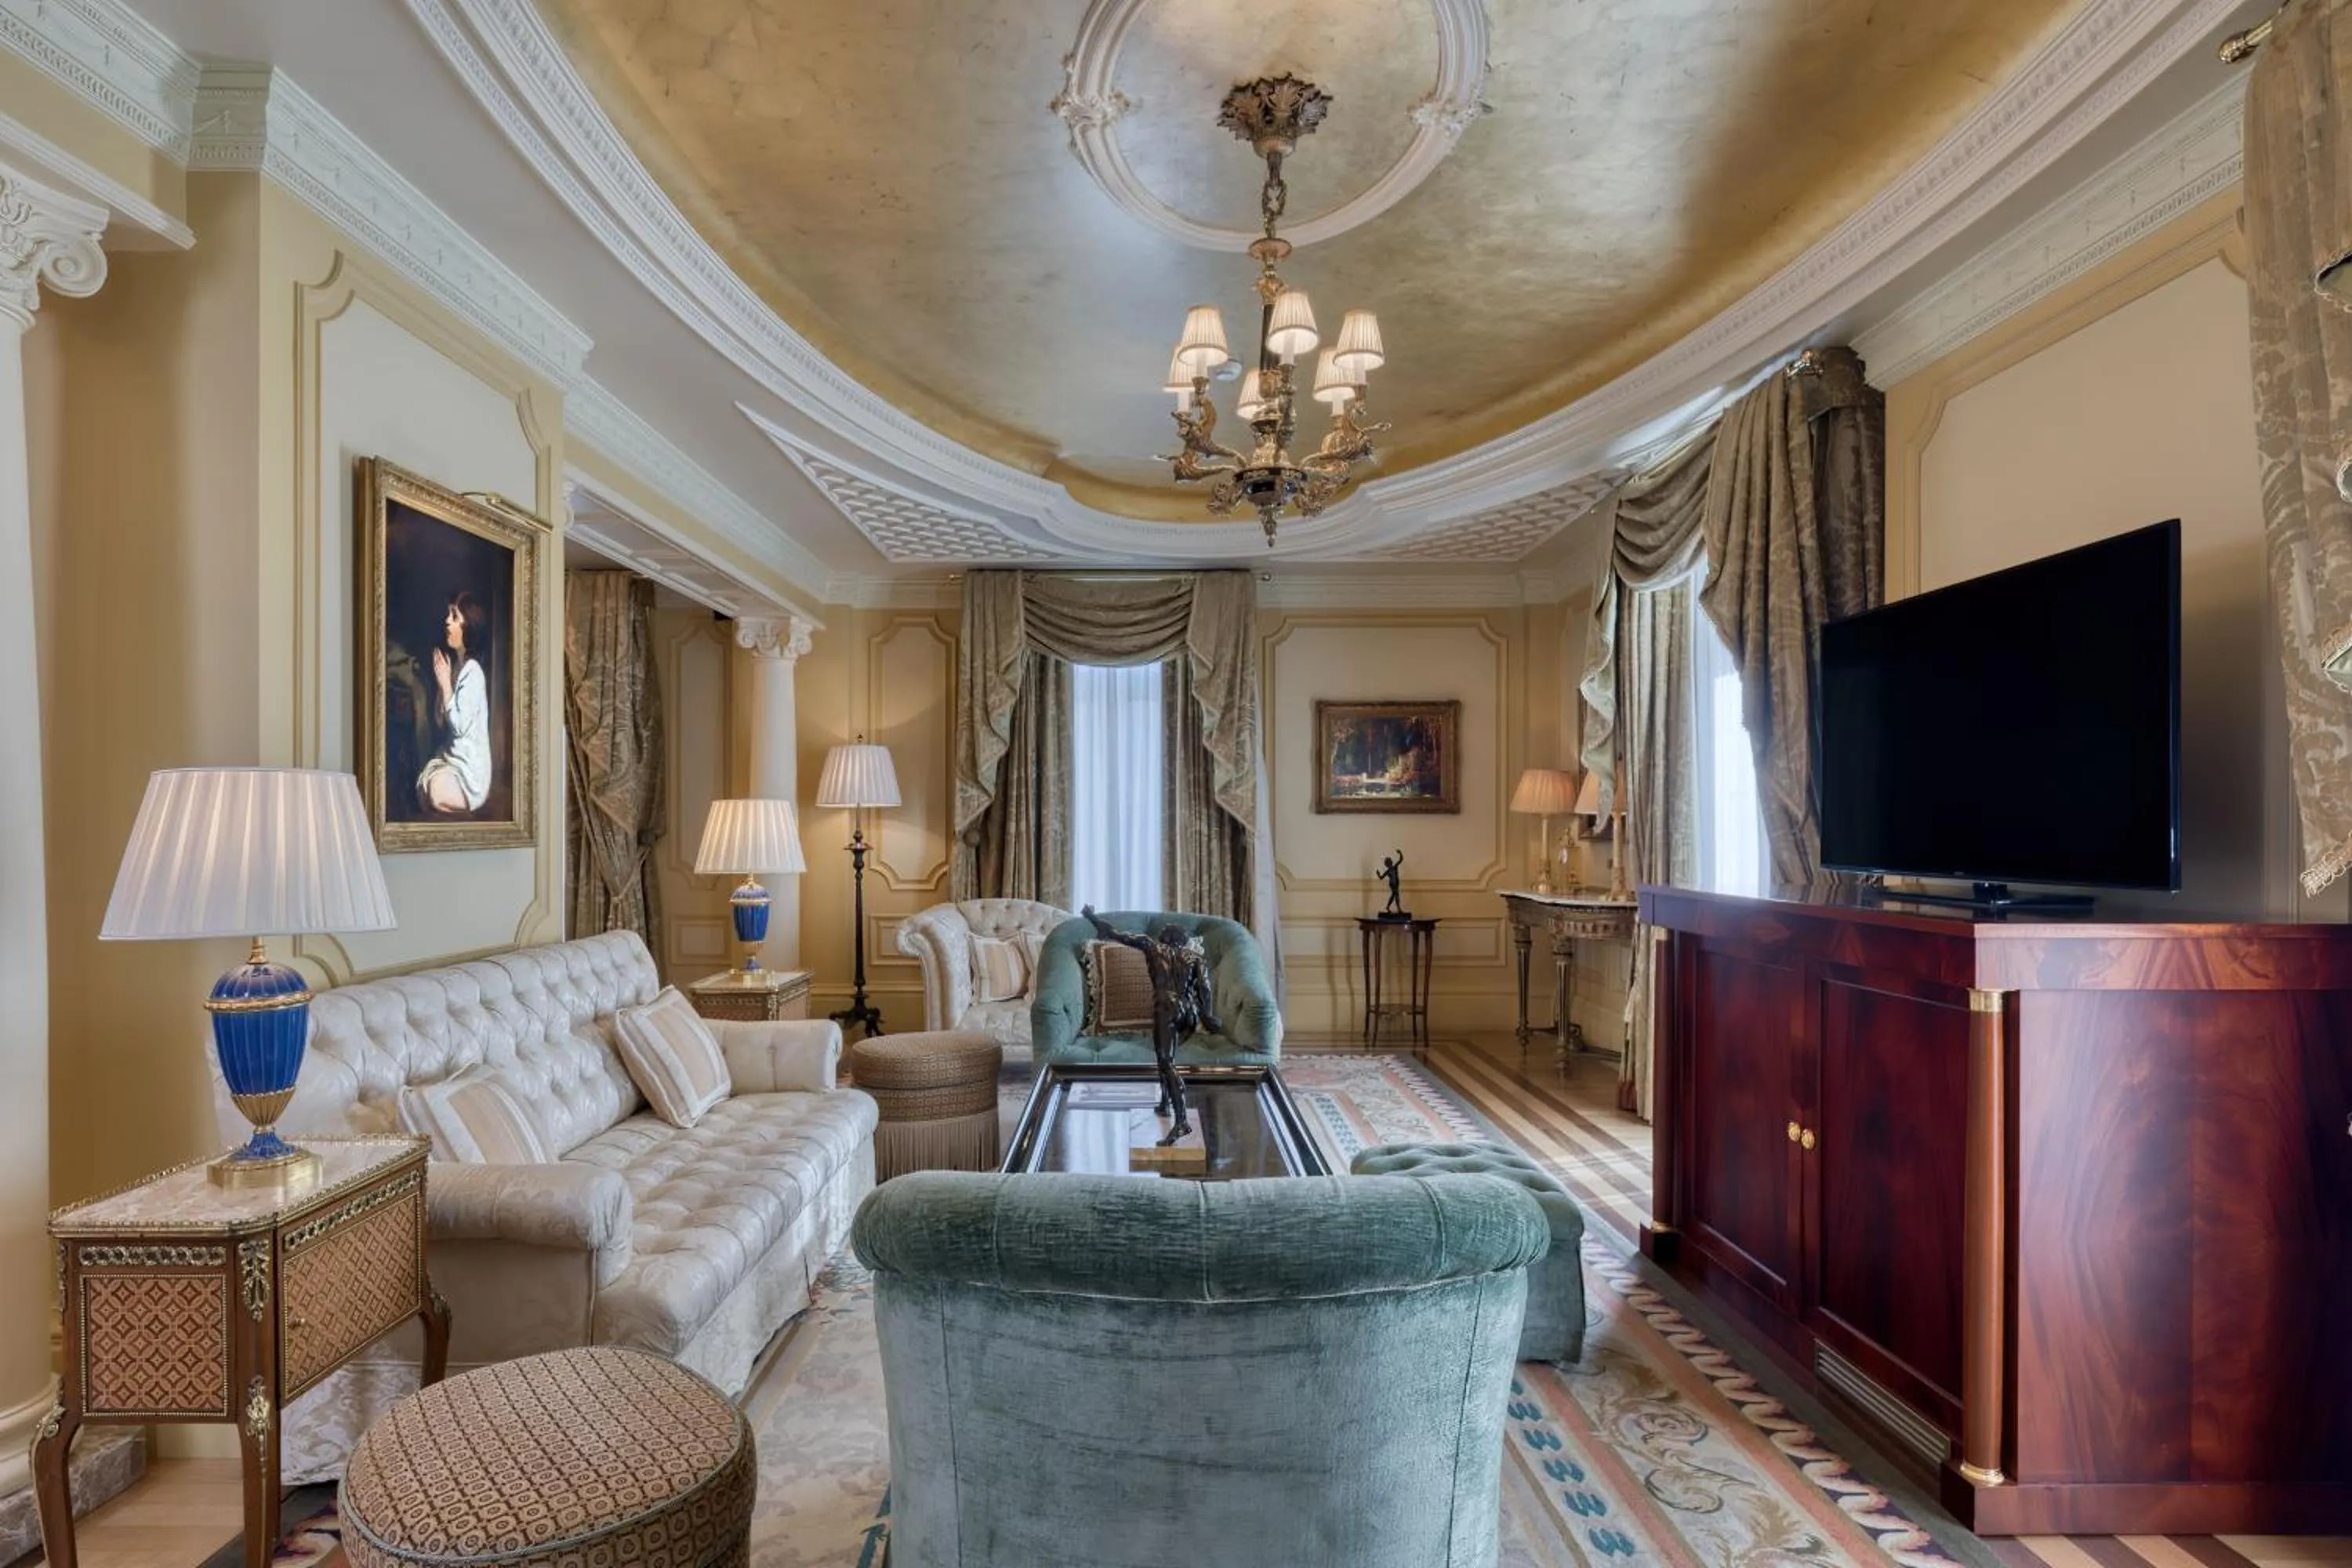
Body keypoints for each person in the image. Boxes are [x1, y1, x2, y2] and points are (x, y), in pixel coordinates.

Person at [1083, 906, 1225, 1143]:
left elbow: (1114, 933)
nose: (1160, 934)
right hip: (1188, 1013)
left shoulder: (1152, 946)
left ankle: (1181, 1123)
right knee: (1164, 1056)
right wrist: (1208, 1017)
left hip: (1166, 1008)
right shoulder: (1196, 958)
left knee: (1166, 1061)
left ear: (1167, 937)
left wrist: (1091, 917)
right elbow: (1205, 990)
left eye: (1163, 932)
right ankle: (1164, 1103)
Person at [416, 591, 492, 815]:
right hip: (452, 759)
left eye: (455, 617)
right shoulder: (457, 668)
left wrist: (445, 685)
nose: (447, 621)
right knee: (425, 787)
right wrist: (443, 685)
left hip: (469, 771)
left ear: (469, 626)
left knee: (434, 791)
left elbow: (458, 727)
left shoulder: (473, 672)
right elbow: (441, 723)